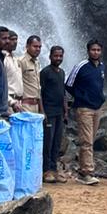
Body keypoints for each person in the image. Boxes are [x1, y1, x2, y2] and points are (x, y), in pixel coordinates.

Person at [65, 39, 105, 185]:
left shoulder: (101, 67)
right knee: (86, 141)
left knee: (90, 140)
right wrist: (81, 96)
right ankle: (87, 172)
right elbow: (69, 84)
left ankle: (83, 169)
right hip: (84, 108)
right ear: (88, 51)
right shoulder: (81, 66)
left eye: (98, 50)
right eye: (93, 50)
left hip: (97, 108)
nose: (96, 52)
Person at [40, 45, 68, 183]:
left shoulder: (62, 72)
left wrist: (66, 111)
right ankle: (46, 170)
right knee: (48, 142)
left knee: (57, 142)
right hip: (49, 112)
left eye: (60, 56)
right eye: (55, 56)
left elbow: (62, 93)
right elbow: (40, 93)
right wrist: (43, 112)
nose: (58, 58)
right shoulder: (45, 72)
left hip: (59, 113)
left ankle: (54, 169)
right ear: (50, 56)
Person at [17, 35, 43, 112]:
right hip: (25, 105)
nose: (38, 49)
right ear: (27, 46)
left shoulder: (37, 62)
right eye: (35, 46)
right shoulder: (21, 61)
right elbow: (16, 84)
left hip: (36, 105)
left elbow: (37, 86)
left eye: (39, 47)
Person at [4, 30, 24, 111]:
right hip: (9, 103)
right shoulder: (3, 59)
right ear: (6, 41)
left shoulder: (15, 59)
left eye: (16, 39)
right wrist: (11, 101)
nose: (15, 42)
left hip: (18, 103)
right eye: (12, 39)